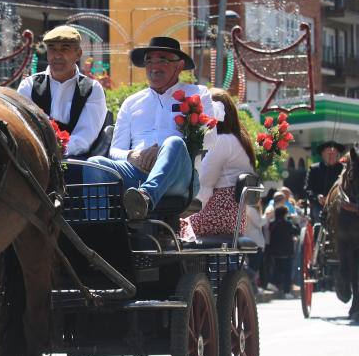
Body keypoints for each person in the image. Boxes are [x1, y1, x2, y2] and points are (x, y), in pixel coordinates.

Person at [84, 37, 214, 220]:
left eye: (162, 60)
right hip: (136, 171)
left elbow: (209, 139)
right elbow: (115, 150)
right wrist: (132, 156)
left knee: (173, 143)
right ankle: (99, 234)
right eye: (149, 61)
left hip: (178, 177)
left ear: (179, 65)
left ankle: (144, 198)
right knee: (95, 164)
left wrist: (162, 152)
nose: (154, 67)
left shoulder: (198, 94)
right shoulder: (131, 103)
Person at [17, 25, 107, 158]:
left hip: (75, 162)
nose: (57, 55)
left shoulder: (92, 89)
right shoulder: (29, 85)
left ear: (78, 53)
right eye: (52, 49)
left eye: (65, 48)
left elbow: (85, 137)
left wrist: (59, 150)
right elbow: (21, 126)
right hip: (35, 160)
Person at [180, 88, 254, 240]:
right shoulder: (240, 139)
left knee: (173, 229)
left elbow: (204, 183)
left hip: (220, 215)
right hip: (235, 218)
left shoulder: (223, 140)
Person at [304, 141, 345, 223]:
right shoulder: (314, 169)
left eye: (333, 153)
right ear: (322, 155)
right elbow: (307, 190)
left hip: (341, 205)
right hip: (320, 206)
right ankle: (318, 234)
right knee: (319, 220)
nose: (331, 156)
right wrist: (317, 197)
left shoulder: (343, 169)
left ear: (337, 154)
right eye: (328, 154)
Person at [267, 205, 300, 299]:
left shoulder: (272, 224)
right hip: (287, 252)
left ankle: (272, 282)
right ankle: (286, 292)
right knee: (287, 273)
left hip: (275, 252)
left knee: (277, 269)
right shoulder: (288, 224)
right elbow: (297, 231)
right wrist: (295, 222)